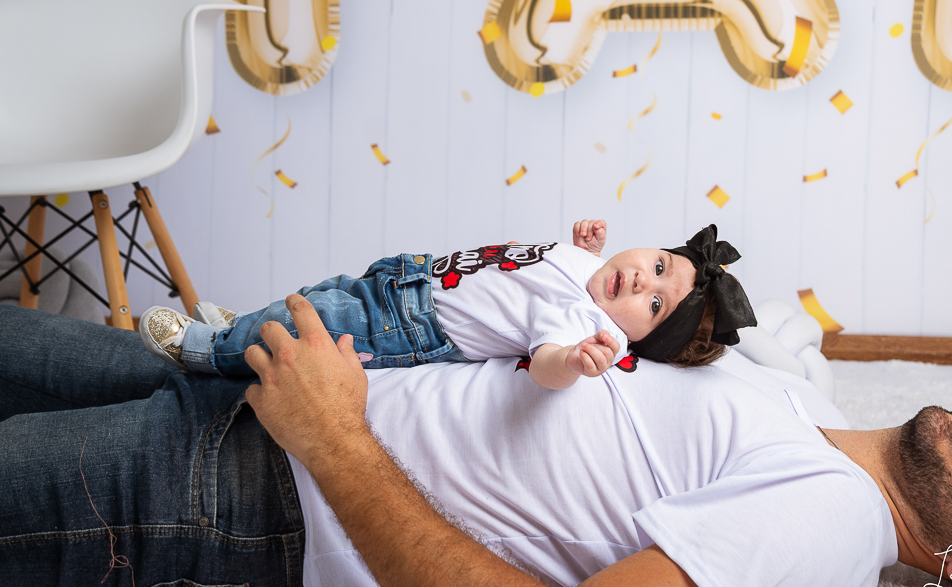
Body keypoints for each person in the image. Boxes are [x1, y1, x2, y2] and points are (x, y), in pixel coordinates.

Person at [0, 300, 952, 587]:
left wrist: (336, 441)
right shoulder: (792, 401)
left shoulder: (833, 529)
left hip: (236, 504)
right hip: (252, 380)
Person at [138, 222, 757, 390]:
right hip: (411, 280)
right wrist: (582, 247)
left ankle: (208, 351)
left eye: (654, 303)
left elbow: (542, 364)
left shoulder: (589, 327)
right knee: (318, 295)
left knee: (315, 325)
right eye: (656, 267)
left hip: (412, 326)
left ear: (638, 339)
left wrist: (572, 364)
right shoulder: (591, 270)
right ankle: (237, 326)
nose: (639, 280)